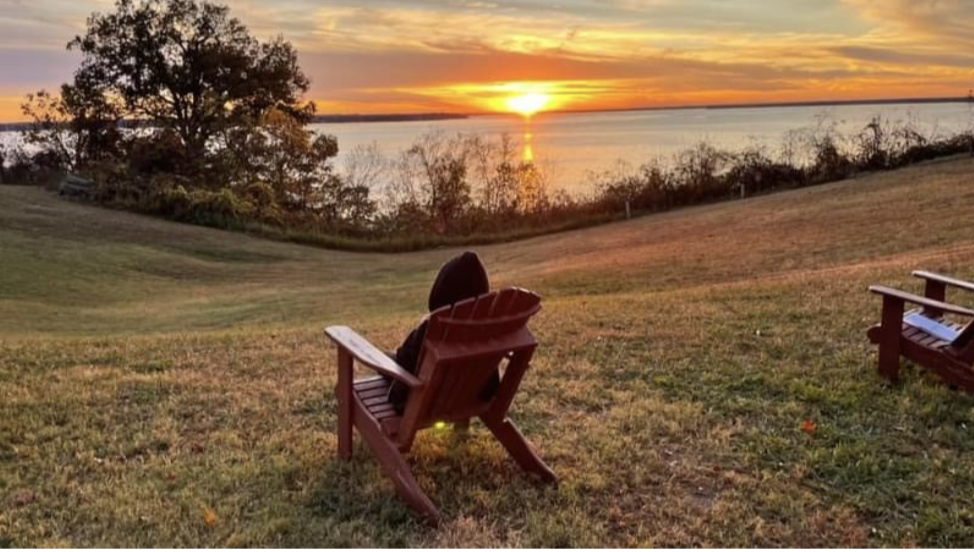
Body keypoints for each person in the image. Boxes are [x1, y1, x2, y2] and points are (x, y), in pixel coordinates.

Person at [387, 251, 490, 408]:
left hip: (422, 402)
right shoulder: (487, 328)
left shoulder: (430, 330)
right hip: (473, 395)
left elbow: (404, 361)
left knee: (386, 359)